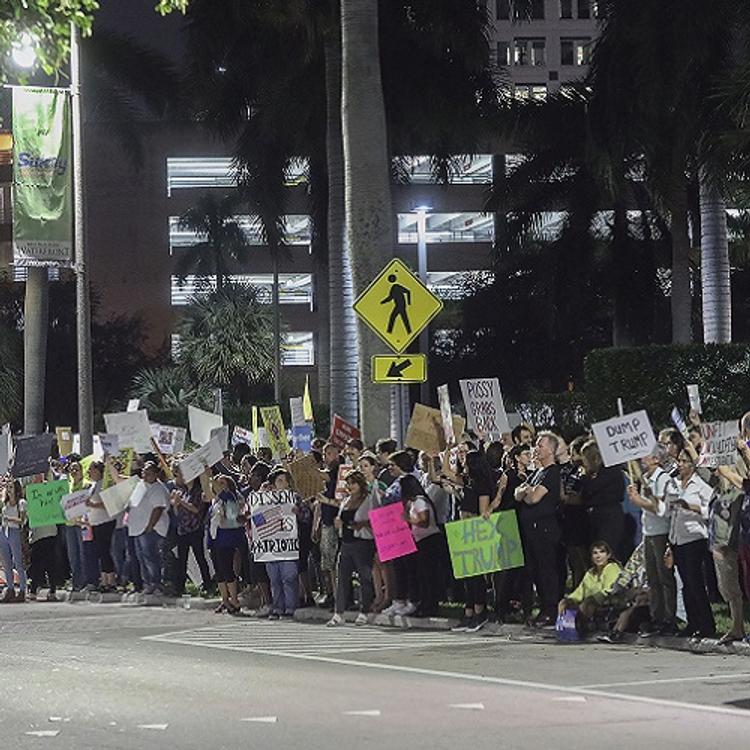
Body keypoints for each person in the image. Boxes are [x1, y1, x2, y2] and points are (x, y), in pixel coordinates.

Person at [627, 444, 677, 636]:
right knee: (653, 578)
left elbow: (662, 508)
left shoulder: (663, 479)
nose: (642, 458)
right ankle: (656, 617)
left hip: (660, 531)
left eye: (646, 455)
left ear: (656, 458)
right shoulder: (646, 478)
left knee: (664, 577)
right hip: (648, 531)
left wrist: (640, 501)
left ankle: (668, 618)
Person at [514, 432, 562, 627]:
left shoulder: (552, 473)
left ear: (551, 450)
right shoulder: (536, 473)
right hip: (530, 530)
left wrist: (527, 492)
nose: (536, 448)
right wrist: (526, 491)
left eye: (540, 445)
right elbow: (519, 494)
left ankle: (551, 609)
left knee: (546, 570)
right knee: (534, 570)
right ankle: (541, 607)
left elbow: (534, 498)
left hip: (545, 530)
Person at [667, 450, 716, 639]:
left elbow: (711, 510)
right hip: (678, 538)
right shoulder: (676, 485)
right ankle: (692, 622)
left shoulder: (700, 485)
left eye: (684, 461)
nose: (680, 464)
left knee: (695, 582)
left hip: (695, 538)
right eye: (678, 461)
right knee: (685, 583)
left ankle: (706, 624)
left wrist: (692, 507)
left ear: (692, 464)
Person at [450, 450, 494, 632]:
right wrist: (447, 452)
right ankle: (468, 611)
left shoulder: (482, 484)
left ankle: (479, 610)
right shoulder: (468, 482)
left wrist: (496, 500)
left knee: (476, 574)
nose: (463, 465)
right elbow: (446, 473)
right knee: (466, 574)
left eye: (466, 462)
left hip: (474, 530)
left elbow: (483, 512)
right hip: (463, 529)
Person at [327, 470, 375, 626]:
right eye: (348, 483)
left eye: (353, 483)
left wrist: (361, 524)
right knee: (342, 578)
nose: (350, 486)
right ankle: (338, 612)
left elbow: (375, 519)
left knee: (364, 577)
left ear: (360, 484)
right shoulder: (346, 500)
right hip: (346, 543)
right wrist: (338, 523)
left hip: (362, 542)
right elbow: (340, 518)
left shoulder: (368, 499)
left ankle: (364, 611)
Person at [710, 464, 746, 644]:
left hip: (728, 546)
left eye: (719, 467)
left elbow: (734, 521)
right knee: (725, 587)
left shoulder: (737, 493)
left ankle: (738, 626)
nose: (715, 470)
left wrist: (725, 546)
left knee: (732, 588)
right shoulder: (718, 490)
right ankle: (735, 626)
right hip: (717, 543)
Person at [402, 473, 444, 617]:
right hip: (421, 540)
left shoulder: (420, 501)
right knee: (423, 575)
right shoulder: (413, 502)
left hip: (429, 540)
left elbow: (424, 521)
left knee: (428, 576)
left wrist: (408, 518)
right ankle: (425, 603)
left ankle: (430, 605)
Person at [558, 541, 623, 633]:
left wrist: (593, 598)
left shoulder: (612, 568)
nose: (598, 556)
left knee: (588, 603)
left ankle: (584, 629)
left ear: (608, 555)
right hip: (589, 602)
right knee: (565, 603)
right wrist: (569, 600)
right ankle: (566, 629)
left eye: (602, 552)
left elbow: (610, 590)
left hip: (610, 600)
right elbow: (580, 591)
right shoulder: (590, 572)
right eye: (595, 553)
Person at [127, 461, 170, 596]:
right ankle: (148, 584)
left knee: (151, 557)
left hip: (151, 529)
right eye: (144, 472)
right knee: (141, 557)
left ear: (156, 474)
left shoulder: (158, 489)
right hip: (137, 529)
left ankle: (156, 584)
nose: (145, 475)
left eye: (149, 473)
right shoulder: (140, 486)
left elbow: (158, 508)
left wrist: (150, 526)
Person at [205, 474, 246, 614]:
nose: (219, 485)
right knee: (219, 571)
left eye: (222, 483)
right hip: (215, 538)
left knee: (227, 569)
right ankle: (225, 600)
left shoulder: (231, 497)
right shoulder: (215, 500)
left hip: (227, 538)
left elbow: (233, 516)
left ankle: (234, 599)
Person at [579, 440, 626, 558]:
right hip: (599, 518)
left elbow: (592, 488)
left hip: (609, 518)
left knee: (607, 552)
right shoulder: (598, 473)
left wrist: (584, 477)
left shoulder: (611, 470)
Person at [170, 465, 211, 596]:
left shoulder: (197, 491)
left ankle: (207, 583)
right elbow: (177, 512)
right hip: (183, 529)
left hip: (195, 529)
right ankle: (179, 587)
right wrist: (175, 505)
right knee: (182, 560)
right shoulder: (181, 491)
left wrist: (180, 502)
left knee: (200, 557)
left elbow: (196, 509)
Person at [264, 469, 300, 619]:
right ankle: (278, 607)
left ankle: (290, 608)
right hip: (272, 545)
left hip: (289, 544)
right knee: (275, 579)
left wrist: (297, 511)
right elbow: (259, 520)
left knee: (289, 577)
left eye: (282, 481)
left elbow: (304, 516)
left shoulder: (295, 498)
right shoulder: (265, 500)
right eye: (278, 481)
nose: (280, 484)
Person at [84, 460, 118, 592]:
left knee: (105, 551)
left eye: (91, 469)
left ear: (98, 471)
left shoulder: (105, 485)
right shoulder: (93, 486)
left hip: (105, 522)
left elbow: (109, 504)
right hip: (95, 523)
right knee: (100, 552)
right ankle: (104, 581)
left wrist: (92, 505)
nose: (89, 472)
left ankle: (111, 581)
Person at [1, 480, 27, 603]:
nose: (9, 489)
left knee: (18, 562)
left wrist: (9, 518)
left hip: (14, 531)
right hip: (4, 531)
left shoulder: (21, 503)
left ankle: (22, 590)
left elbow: (22, 520)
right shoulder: (5, 503)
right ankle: (10, 588)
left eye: (11, 487)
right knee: (6, 563)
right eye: (7, 487)